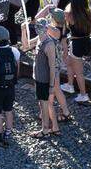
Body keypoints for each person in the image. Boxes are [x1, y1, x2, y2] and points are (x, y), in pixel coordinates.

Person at [25, 8, 72, 138]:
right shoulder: (61, 30)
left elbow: (37, 20)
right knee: (53, 96)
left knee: (49, 100)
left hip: (50, 72)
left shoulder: (52, 31)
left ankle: (49, 127)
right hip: (54, 69)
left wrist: (46, 9)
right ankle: (60, 119)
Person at [63, 0, 91, 105]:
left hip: (76, 44)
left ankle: (83, 95)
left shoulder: (70, 15)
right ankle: (70, 85)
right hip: (86, 42)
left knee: (79, 72)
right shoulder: (89, 14)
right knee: (70, 64)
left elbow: (65, 10)